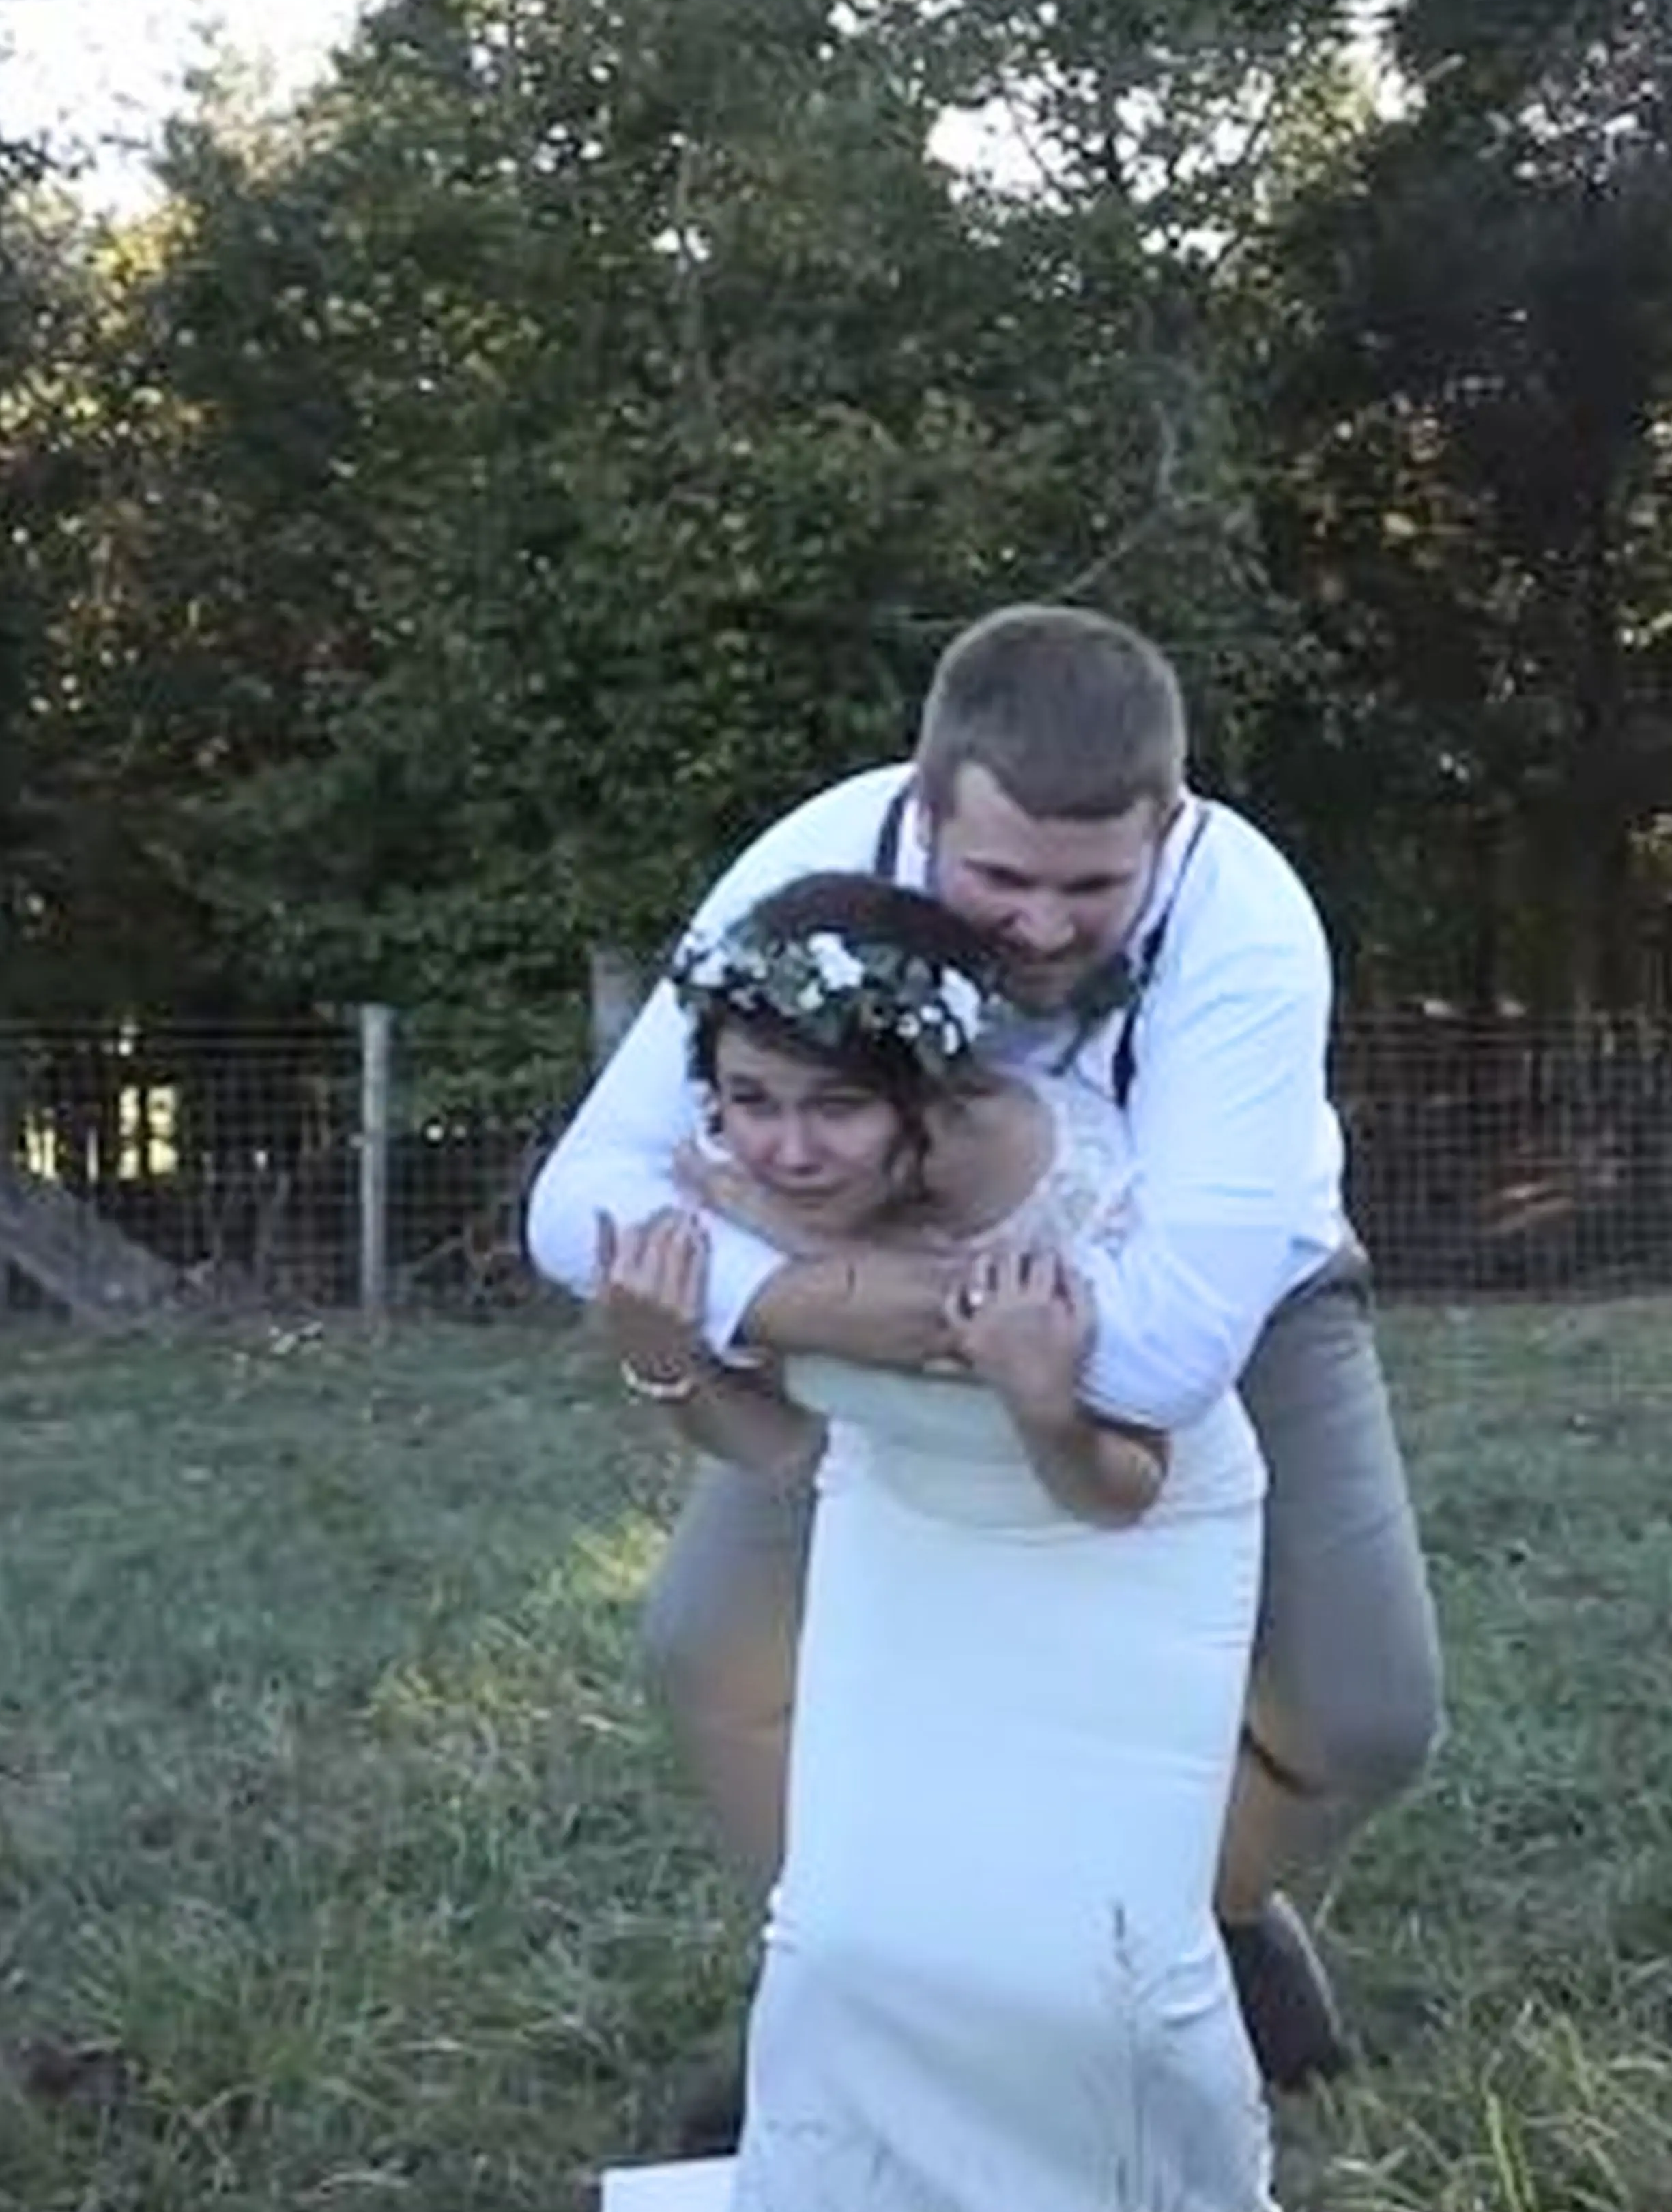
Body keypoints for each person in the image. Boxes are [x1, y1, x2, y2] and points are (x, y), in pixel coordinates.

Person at [527, 601, 1443, 2094]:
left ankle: (1191, 1909)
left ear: (1173, 822)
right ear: (921, 802)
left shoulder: (1251, 924)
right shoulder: (819, 853)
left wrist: (760, 1295)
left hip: (1244, 1308)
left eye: (1094, 883)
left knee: (1369, 1707)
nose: (1038, 922)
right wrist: (839, 1303)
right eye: (998, 873)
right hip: (870, 1274)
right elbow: (582, 1207)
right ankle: (854, 1993)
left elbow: (1158, 1361)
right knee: (710, 1646)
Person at [583, 871, 1316, 2212]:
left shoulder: (1082, 1191)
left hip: (1126, 1542)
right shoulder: (724, 1183)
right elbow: (783, 1443)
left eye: (834, 1107)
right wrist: (663, 1352)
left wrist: (1047, 1399)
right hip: (900, 1525)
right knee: (850, 1928)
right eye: (749, 1099)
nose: (787, 1147)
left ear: (924, 1091)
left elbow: (1127, 1487)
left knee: (1104, 1961)